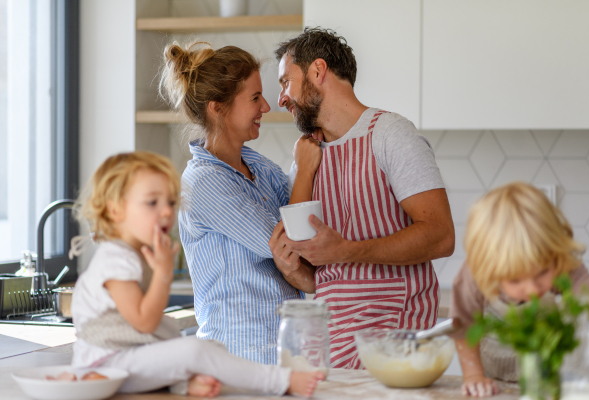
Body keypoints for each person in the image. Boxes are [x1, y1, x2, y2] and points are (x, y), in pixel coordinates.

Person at [268, 27, 455, 369]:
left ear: (318, 71)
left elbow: (441, 236)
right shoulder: (306, 157)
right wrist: (290, 269)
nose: (281, 99)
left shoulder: (390, 135)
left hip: (395, 350)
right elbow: (323, 277)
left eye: (285, 82)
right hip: (334, 352)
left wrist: (347, 250)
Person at [69, 151, 324, 397]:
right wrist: (163, 273)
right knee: (194, 351)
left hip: (124, 361)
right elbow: (144, 322)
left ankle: (184, 384)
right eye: (152, 202)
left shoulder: (134, 253)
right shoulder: (116, 257)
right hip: (105, 364)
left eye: (170, 202)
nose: (167, 211)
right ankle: (282, 381)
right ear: (116, 210)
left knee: (209, 349)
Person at [159, 41, 322, 364]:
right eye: (254, 98)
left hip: (278, 354)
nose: (266, 107)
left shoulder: (258, 167)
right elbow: (290, 242)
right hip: (238, 358)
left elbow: (302, 225)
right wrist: (304, 168)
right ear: (217, 108)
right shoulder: (203, 183)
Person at [450, 181, 589, 397]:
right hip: (498, 382)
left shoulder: (560, 263)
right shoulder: (474, 274)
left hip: (552, 380)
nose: (531, 289)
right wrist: (473, 375)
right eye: (515, 280)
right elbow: (462, 325)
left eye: (542, 273)